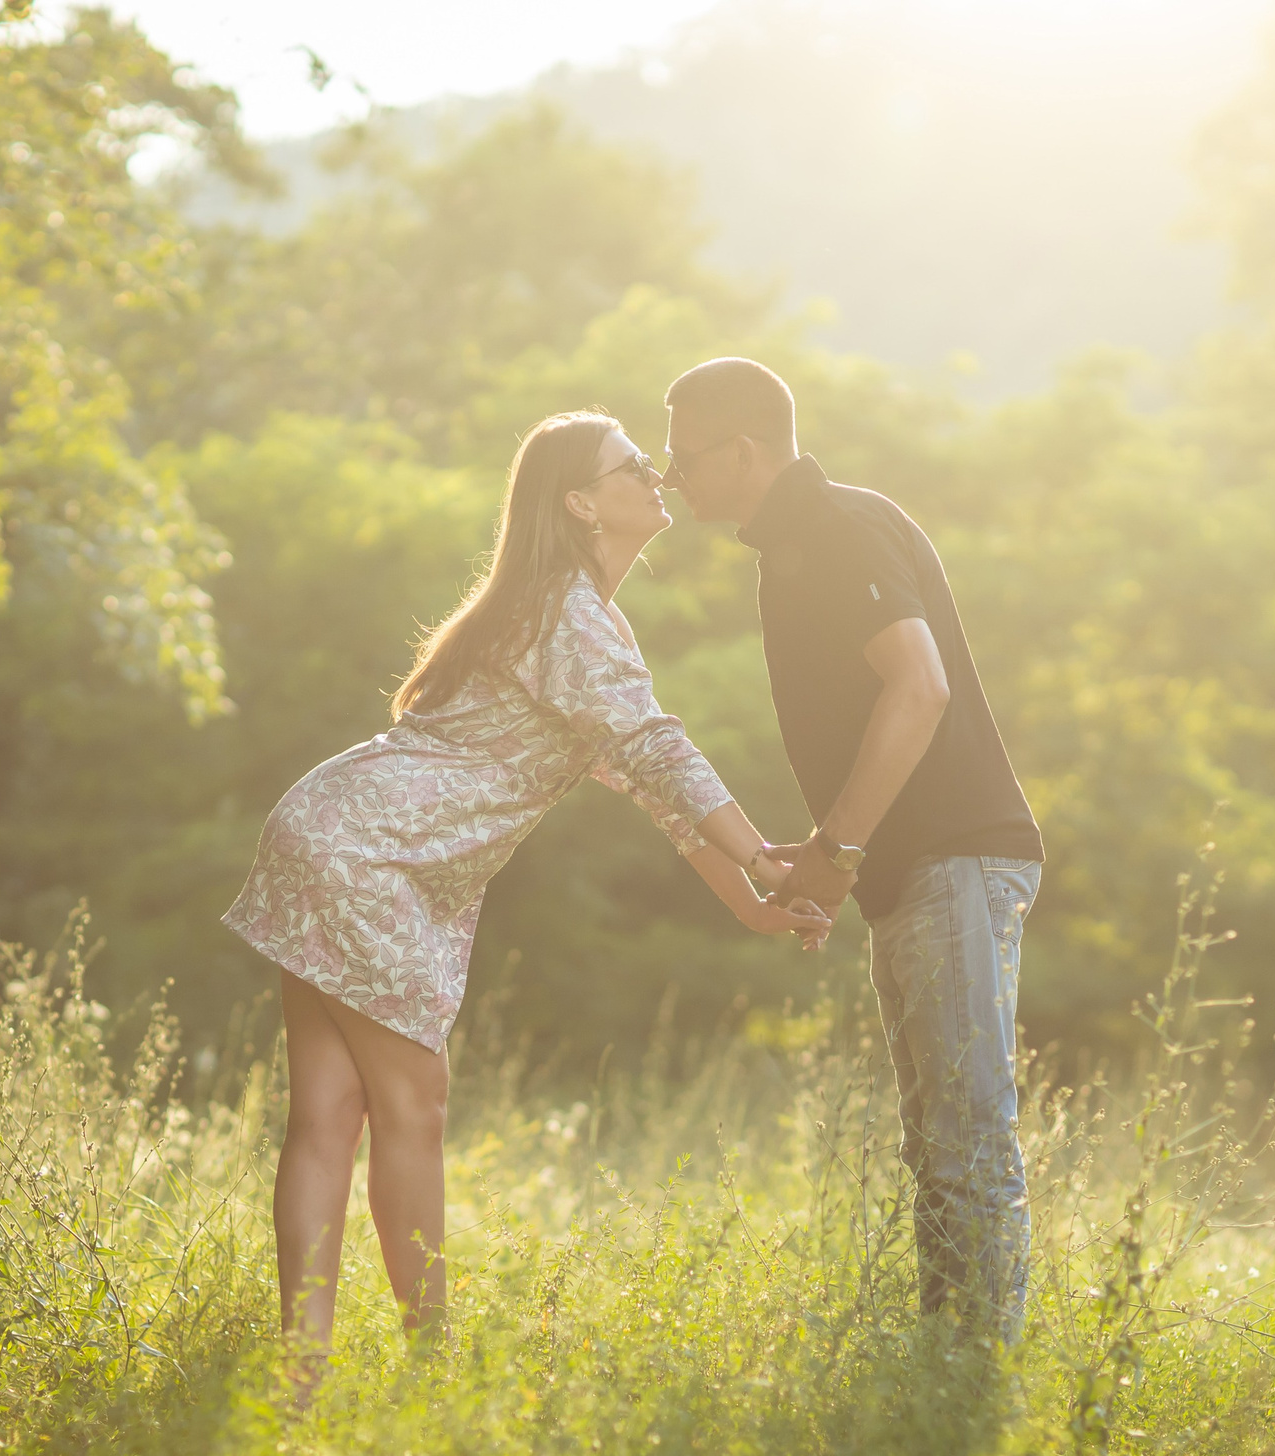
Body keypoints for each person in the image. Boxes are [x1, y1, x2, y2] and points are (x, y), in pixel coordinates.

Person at [222, 410, 829, 1387]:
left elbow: (648, 784)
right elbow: (658, 746)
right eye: (630, 464)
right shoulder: (569, 613)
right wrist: (760, 853)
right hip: (371, 851)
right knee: (412, 1105)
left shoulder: (559, 612)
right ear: (580, 501)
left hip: (341, 834)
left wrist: (749, 899)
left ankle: (302, 1371)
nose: (655, 472)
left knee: (329, 1113)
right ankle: (434, 1368)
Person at [660, 357, 1048, 1348]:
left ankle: (976, 1383)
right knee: (933, 1145)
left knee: (966, 1139)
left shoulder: (838, 524)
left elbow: (917, 689)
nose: (672, 477)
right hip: (904, 870)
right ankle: (946, 1361)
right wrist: (836, 853)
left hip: (952, 857)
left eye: (684, 455)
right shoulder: (790, 545)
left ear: (744, 450)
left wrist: (838, 846)